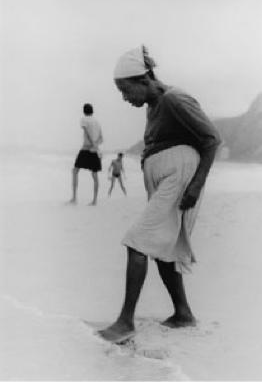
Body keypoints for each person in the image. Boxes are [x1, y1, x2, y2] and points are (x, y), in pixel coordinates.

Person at [98, 45, 221, 344]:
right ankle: (183, 314)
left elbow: (212, 139)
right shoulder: (154, 105)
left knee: (137, 241)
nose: (125, 98)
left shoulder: (174, 99)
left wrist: (195, 185)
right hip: (166, 176)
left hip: (179, 176)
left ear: (144, 80)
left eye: (126, 90)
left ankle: (125, 322)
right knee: (161, 247)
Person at [69, 103, 103, 205]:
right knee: (95, 174)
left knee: (75, 171)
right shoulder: (97, 122)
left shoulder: (84, 119)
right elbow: (101, 138)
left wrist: (92, 143)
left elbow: (87, 131)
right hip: (94, 150)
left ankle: (74, 198)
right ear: (92, 111)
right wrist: (95, 145)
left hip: (86, 148)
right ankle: (95, 201)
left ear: (84, 111)